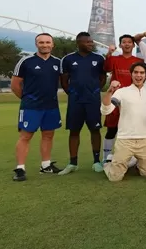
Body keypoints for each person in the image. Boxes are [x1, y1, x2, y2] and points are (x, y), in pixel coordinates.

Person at [11, 33, 63, 181]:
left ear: (52, 45)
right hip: (31, 107)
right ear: (36, 44)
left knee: (48, 135)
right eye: (41, 42)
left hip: (51, 106)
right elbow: (15, 86)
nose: (45, 45)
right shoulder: (26, 61)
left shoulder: (57, 62)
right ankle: (20, 168)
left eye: (48, 42)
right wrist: (28, 99)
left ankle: (45, 165)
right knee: (25, 136)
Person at [58, 32, 106, 175]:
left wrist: (95, 90)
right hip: (76, 101)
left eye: (92, 42)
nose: (91, 44)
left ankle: (97, 161)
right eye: (88, 42)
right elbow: (64, 80)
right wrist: (72, 93)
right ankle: (73, 163)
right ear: (79, 43)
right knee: (74, 131)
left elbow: (102, 78)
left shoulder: (99, 59)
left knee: (95, 130)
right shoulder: (68, 59)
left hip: (92, 101)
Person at [100, 62, 146, 181]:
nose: (138, 75)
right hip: (125, 139)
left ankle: (133, 160)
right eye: (136, 72)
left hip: (145, 139)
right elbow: (106, 110)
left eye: (142, 73)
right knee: (115, 178)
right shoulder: (122, 92)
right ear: (131, 74)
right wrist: (110, 91)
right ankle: (108, 163)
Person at [102, 34, 143, 162]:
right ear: (120, 45)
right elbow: (106, 68)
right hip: (116, 99)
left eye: (129, 42)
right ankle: (106, 158)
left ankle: (132, 158)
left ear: (133, 44)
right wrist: (109, 53)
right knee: (112, 129)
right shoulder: (114, 59)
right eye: (123, 42)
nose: (126, 44)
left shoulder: (139, 61)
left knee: (131, 129)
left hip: (132, 100)